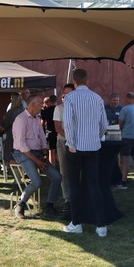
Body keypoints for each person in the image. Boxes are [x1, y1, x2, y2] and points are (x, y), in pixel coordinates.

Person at [62, 69, 108, 237]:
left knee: (74, 185)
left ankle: (76, 222)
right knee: (93, 184)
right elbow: (104, 124)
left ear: (74, 80)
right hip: (93, 147)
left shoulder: (70, 98)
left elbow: (68, 123)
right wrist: (96, 137)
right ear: (87, 80)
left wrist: (71, 143)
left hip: (75, 147)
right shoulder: (97, 98)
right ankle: (101, 225)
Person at [12, 95, 63, 219]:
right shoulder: (21, 119)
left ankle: (49, 206)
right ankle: (20, 204)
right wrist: (37, 161)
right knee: (36, 181)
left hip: (37, 153)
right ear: (32, 105)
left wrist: (44, 153)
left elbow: (42, 138)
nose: (42, 106)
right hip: (23, 153)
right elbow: (21, 145)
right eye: (40, 103)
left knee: (57, 177)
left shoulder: (36, 119)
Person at [53, 83, 75, 216]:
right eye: (65, 93)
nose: (67, 96)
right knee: (64, 171)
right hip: (63, 141)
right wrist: (69, 138)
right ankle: (67, 198)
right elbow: (58, 128)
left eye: (69, 93)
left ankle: (76, 196)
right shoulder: (59, 108)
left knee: (76, 171)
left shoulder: (78, 108)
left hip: (77, 143)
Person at [118, 92, 134, 188]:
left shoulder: (124, 109)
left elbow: (120, 124)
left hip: (126, 137)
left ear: (128, 98)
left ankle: (124, 181)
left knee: (125, 159)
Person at [2, 92, 23, 164]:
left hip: (11, 135)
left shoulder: (11, 112)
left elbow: (6, 125)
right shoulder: (24, 110)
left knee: (10, 155)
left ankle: (12, 167)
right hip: (21, 135)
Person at [40, 94, 57, 165]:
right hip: (59, 132)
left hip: (50, 132)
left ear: (50, 101)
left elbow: (42, 124)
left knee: (51, 151)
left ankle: (53, 165)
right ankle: (59, 164)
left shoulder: (46, 111)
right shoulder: (59, 109)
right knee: (59, 150)